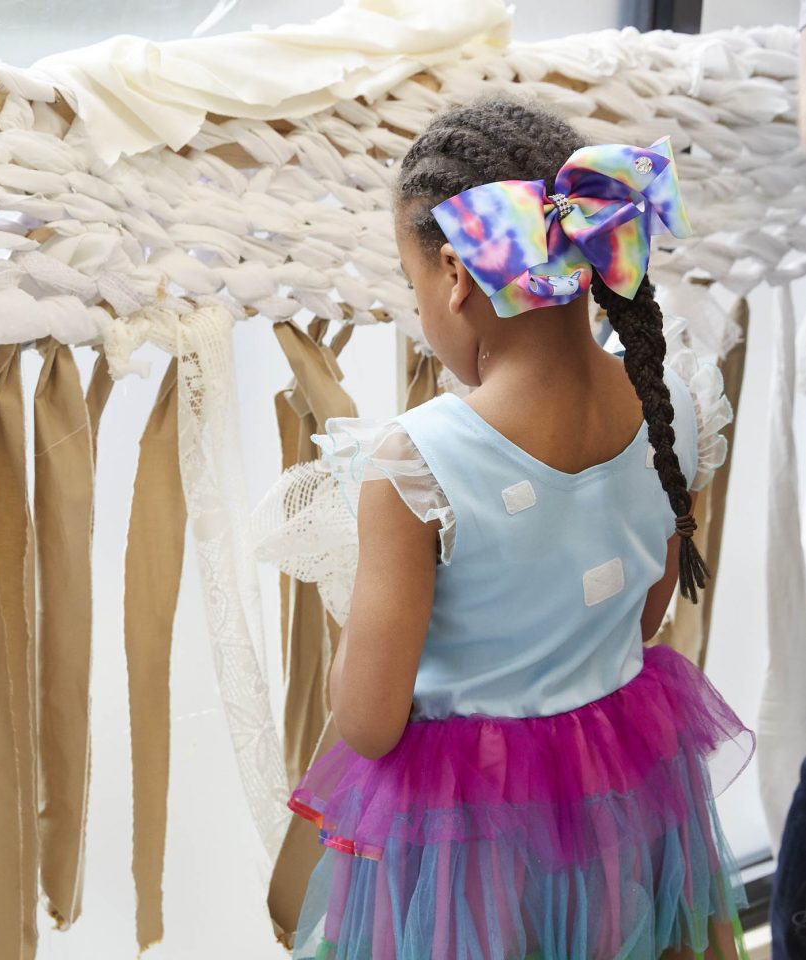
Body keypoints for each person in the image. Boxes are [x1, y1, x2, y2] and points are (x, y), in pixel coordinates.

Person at [261, 98, 752, 959]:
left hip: (468, 848)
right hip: (620, 798)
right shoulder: (667, 401)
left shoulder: (415, 462)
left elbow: (369, 722)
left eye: (413, 288)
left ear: (454, 274)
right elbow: (643, 615)